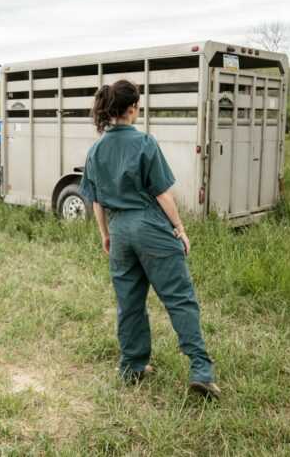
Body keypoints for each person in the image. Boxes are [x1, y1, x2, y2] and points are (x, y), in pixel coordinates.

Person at [79, 79, 220, 399]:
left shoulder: (96, 149)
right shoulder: (145, 143)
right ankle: (201, 370)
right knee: (179, 297)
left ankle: (132, 365)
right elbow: (162, 194)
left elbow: (97, 200)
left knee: (129, 302)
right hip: (150, 226)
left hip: (119, 232)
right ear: (132, 108)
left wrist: (105, 235)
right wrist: (180, 229)